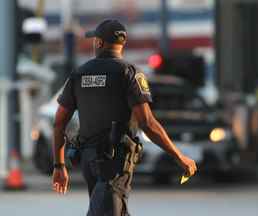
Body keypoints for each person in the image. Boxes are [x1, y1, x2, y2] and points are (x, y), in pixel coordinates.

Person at [52, 19, 197, 216]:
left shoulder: (79, 74)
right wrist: (179, 157)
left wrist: (59, 165)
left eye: (95, 39)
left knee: (113, 210)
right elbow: (147, 123)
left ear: (100, 43)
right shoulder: (129, 73)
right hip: (115, 163)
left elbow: (59, 122)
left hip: (88, 160)